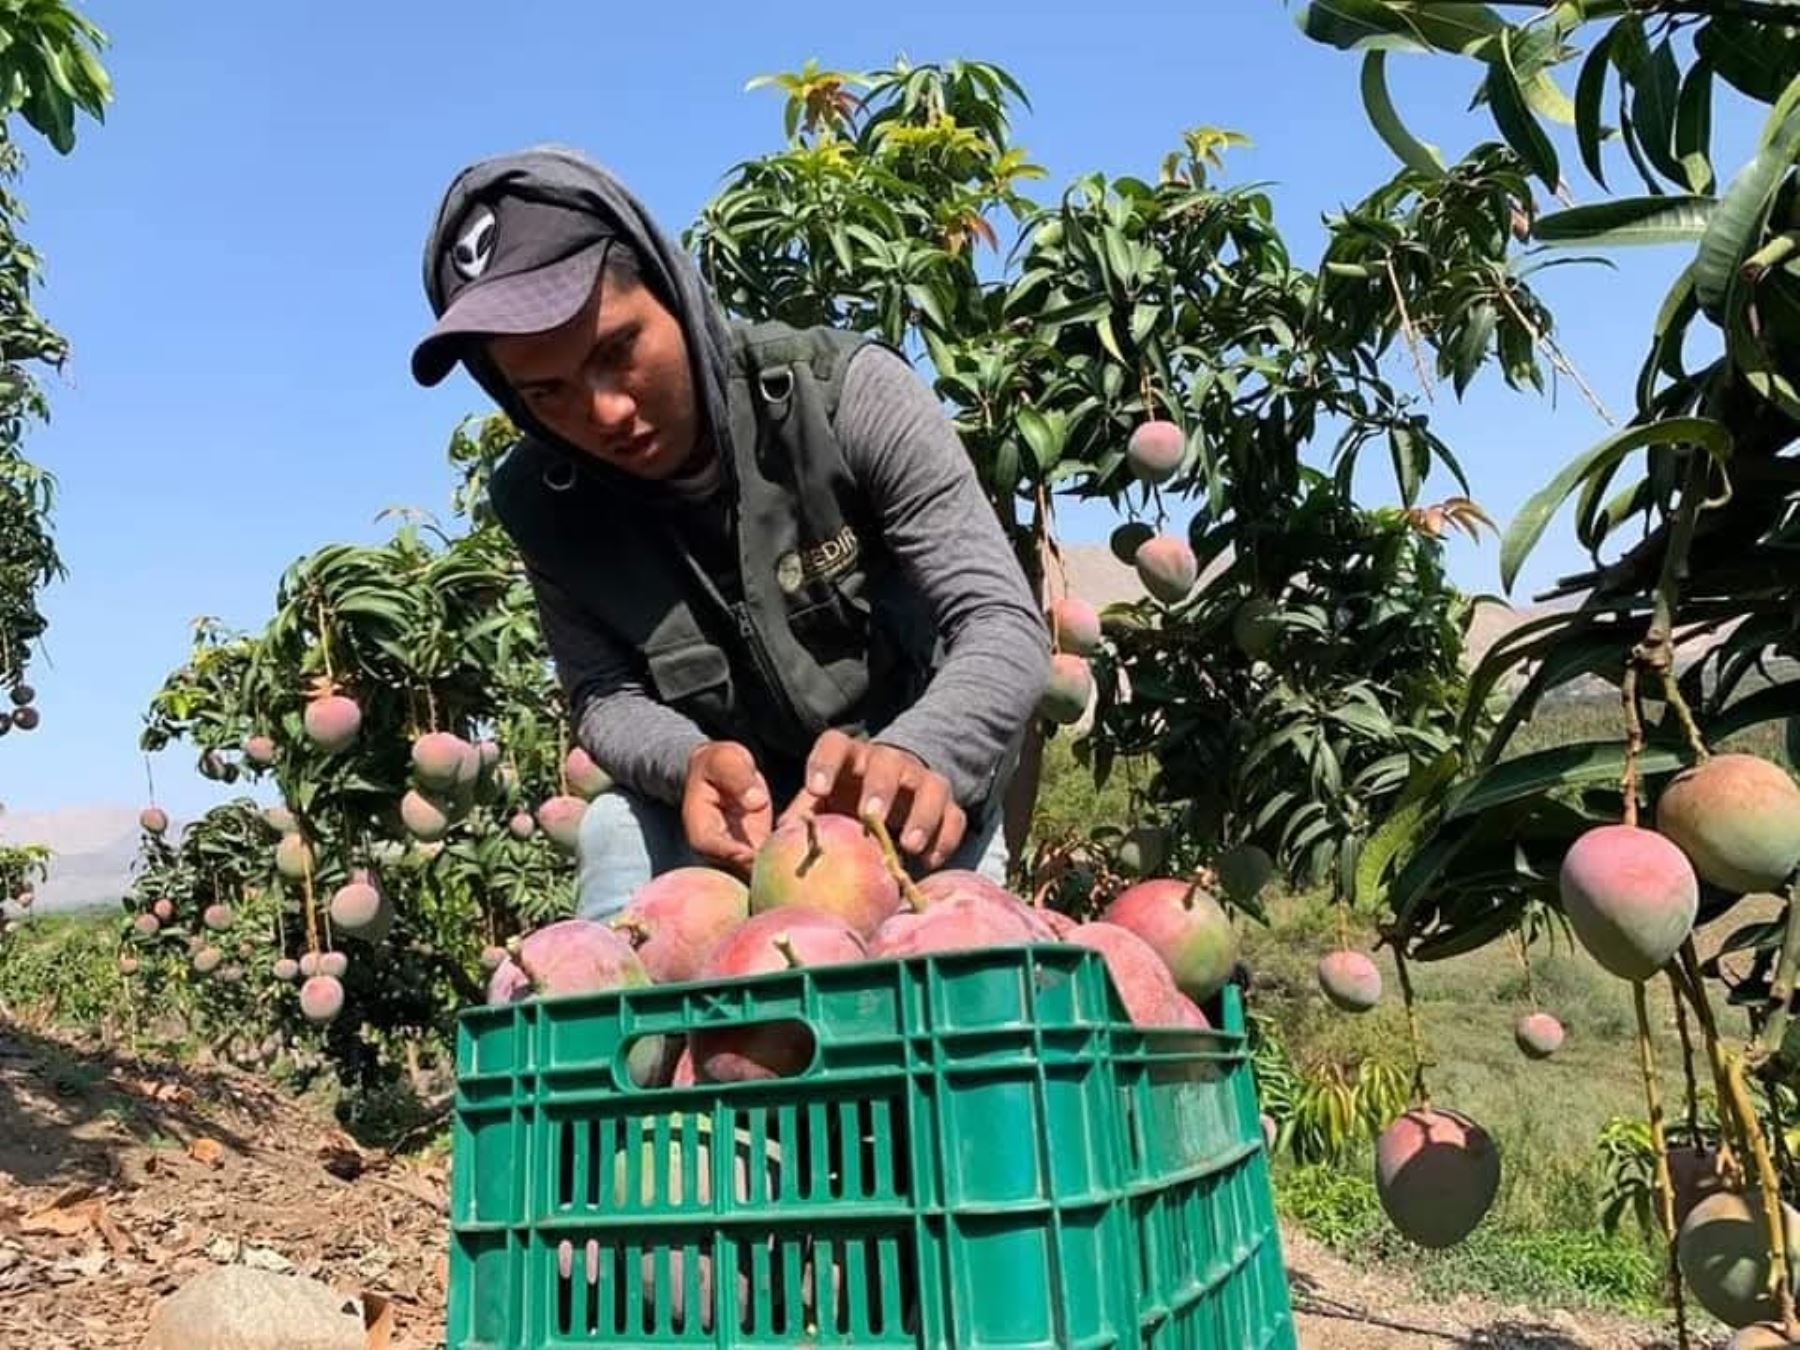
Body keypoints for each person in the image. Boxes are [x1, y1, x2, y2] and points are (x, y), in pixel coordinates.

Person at [409, 144, 1050, 919]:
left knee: (931, 958)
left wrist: (924, 751)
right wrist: (688, 763)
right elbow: (604, 693)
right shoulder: (544, 505)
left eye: (618, 349)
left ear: (674, 292)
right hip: (736, 828)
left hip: (912, 791)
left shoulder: (843, 397)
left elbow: (1000, 620)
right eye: (547, 393)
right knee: (614, 826)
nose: (606, 411)